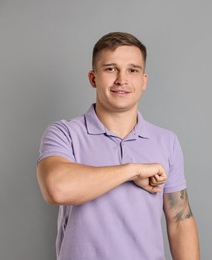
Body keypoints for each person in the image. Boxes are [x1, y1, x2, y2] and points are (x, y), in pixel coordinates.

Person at [37, 32, 200, 260]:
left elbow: (180, 220)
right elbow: (57, 188)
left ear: (143, 81)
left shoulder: (167, 141)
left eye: (132, 70)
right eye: (110, 69)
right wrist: (132, 170)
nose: (122, 80)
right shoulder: (65, 133)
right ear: (93, 78)